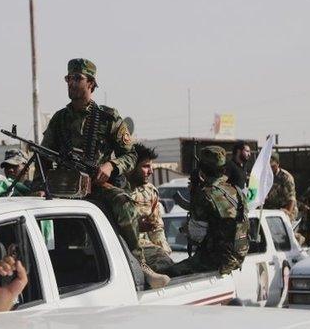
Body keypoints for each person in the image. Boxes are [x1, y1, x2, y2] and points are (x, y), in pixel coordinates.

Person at [40, 58, 168, 288]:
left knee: (124, 202)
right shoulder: (60, 119)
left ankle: (141, 265)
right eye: (68, 78)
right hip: (66, 188)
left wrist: (111, 166)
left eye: (77, 78)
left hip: (97, 185)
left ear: (91, 83)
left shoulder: (108, 118)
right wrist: (40, 185)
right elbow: (44, 155)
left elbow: (130, 155)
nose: (71, 83)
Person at [166, 146, 249, 277]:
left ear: (201, 170)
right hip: (237, 256)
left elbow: (197, 235)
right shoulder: (236, 191)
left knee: (169, 273)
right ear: (224, 168)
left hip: (216, 259)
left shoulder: (205, 194)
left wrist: (185, 229)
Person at [126, 143, 174, 273]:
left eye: (151, 166)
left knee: (168, 268)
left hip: (146, 251)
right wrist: (136, 227)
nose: (151, 171)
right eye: (145, 166)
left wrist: (165, 254)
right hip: (121, 248)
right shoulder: (114, 191)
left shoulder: (149, 192)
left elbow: (157, 229)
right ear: (131, 167)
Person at [263, 152, 298, 222]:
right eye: (268, 166)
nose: (270, 168)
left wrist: (288, 213)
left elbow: (291, 198)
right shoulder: (265, 176)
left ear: (278, 164)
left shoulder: (286, 177)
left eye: (272, 166)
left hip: (285, 208)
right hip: (271, 208)